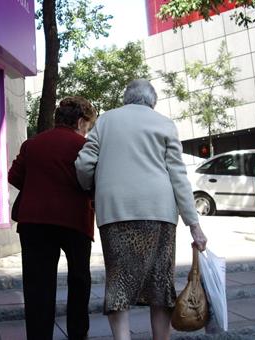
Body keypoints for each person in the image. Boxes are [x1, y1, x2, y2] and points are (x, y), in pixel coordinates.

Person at [74, 79, 208, 340]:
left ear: (126, 99)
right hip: (159, 214)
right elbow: (179, 177)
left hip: (116, 213)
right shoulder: (164, 124)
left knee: (119, 284)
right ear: (152, 102)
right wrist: (195, 225)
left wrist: (88, 186)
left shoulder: (106, 121)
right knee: (160, 285)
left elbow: (83, 165)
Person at [8, 96, 97, 340]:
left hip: (34, 222)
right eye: (87, 126)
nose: (86, 131)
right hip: (74, 221)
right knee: (79, 280)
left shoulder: (32, 144)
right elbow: (93, 180)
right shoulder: (84, 146)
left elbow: (14, 176)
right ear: (80, 121)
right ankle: (78, 334)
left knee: (38, 286)